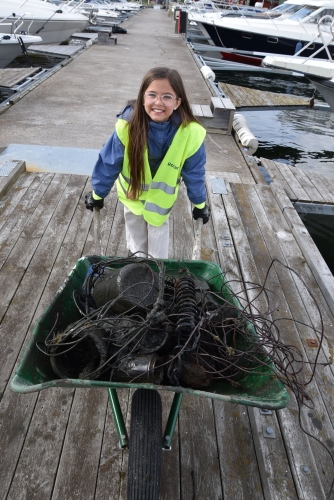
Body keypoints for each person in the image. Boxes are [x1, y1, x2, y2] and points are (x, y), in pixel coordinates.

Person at [85, 66, 211, 259]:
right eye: (152, 95)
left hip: (160, 206)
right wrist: (97, 193)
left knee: (158, 254)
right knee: (137, 248)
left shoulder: (191, 133)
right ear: (142, 97)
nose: (158, 102)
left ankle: (155, 275)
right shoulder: (126, 127)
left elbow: (194, 173)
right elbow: (108, 163)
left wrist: (200, 204)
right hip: (132, 197)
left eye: (167, 97)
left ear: (178, 102)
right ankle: (138, 267)